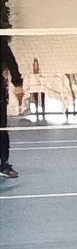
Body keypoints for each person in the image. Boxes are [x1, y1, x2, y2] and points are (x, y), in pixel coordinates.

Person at [1, 36, 24, 179]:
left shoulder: (1, 42)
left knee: (1, 129)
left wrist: (18, 84)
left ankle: (4, 165)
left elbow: (11, 62)